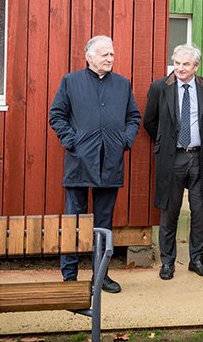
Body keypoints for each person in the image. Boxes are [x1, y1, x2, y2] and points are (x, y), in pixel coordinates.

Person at [48, 35, 141, 294]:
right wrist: (72, 141)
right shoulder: (71, 81)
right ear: (89, 57)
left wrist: (124, 141)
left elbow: (133, 116)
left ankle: (102, 276)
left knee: (103, 223)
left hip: (110, 161)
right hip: (79, 161)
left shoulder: (122, 84)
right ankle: (69, 276)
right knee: (73, 221)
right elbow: (56, 115)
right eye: (104, 54)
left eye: (112, 54)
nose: (110, 58)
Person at [143, 45, 203, 280]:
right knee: (170, 211)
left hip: (200, 158)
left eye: (185, 64)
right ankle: (168, 263)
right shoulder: (160, 88)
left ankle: (197, 259)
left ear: (196, 66)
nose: (180, 68)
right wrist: (166, 141)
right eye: (176, 63)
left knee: (199, 211)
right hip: (172, 158)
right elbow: (150, 121)